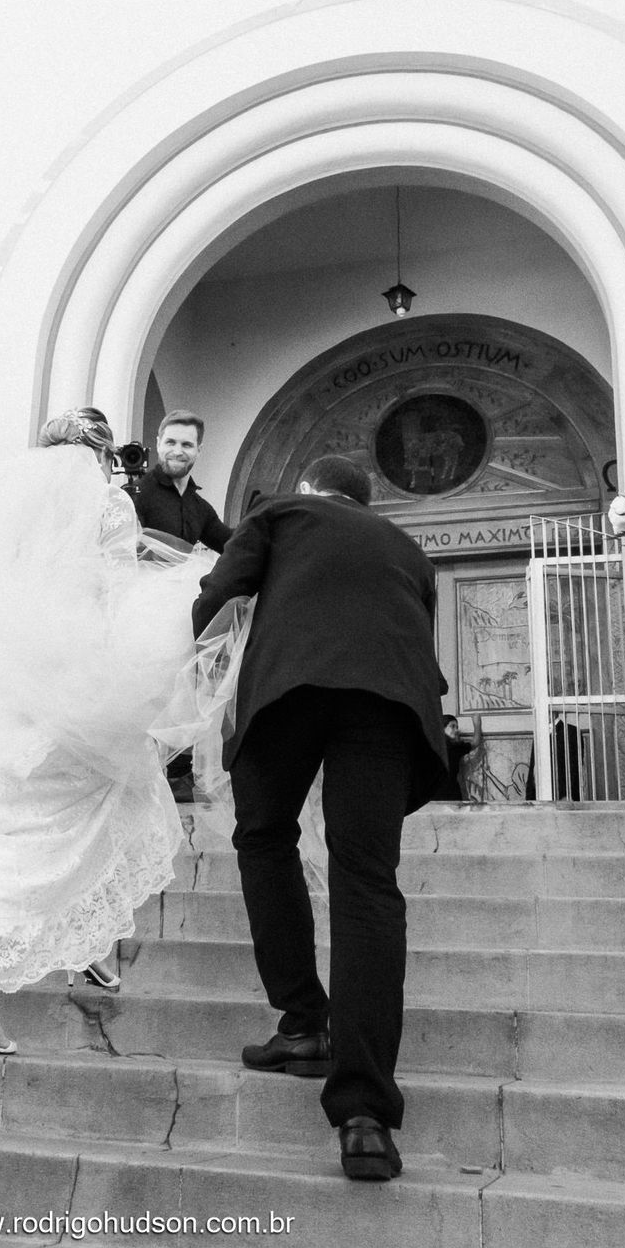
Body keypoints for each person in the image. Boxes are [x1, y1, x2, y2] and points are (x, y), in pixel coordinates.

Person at [191, 454, 450, 1182]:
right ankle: (365, 1116)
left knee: (265, 838)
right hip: (389, 703)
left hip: (289, 689)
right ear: (364, 501)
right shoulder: (406, 548)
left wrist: (200, 676)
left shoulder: (279, 512)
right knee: (367, 882)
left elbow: (215, 600)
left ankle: (304, 1023)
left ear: (312, 491)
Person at [0, 408, 212, 1055]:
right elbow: (116, 585)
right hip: (74, 678)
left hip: (1, 688)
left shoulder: (11, 501)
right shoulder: (107, 501)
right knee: (116, 803)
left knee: (7, 827)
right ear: (96, 453)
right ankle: (67, 950)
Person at [128, 411, 233, 802]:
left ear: (198, 451)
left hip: (181, 613)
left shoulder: (199, 507)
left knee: (185, 686)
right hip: (138, 609)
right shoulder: (136, 493)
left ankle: (179, 775)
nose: (177, 450)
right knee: (146, 690)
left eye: (186, 444)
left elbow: (229, 541)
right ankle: (141, 775)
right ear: (158, 443)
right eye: (171, 442)